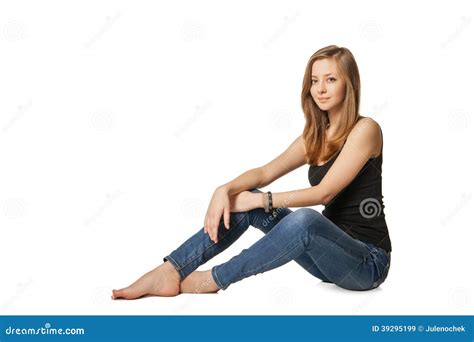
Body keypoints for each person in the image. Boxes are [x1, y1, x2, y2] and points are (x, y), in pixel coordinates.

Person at [111, 45, 392, 299]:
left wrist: (260, 200)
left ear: (349, 84)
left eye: (330, 79)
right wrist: (224, 190)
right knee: (248, 197)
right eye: (314, 81)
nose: (320, 89)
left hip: (367, 263)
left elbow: (324, 192)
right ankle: (172, 270)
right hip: (326, 261)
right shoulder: (315, 137)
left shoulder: (366, 130)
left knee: (301, 218)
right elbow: (264, 172)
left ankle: (215, 278)